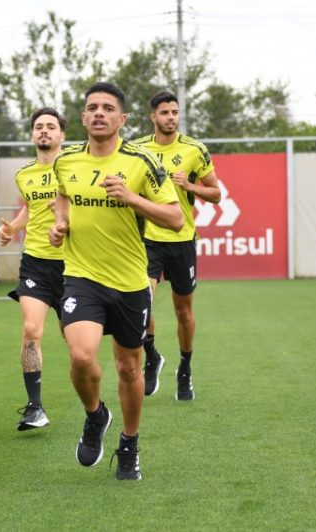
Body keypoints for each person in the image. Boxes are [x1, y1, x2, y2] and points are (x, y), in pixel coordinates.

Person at [48, 82, 183, 480]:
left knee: (128, 368)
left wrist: (132, 198)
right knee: (81, 355)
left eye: (108, 108)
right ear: (84, 116)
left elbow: (175, 218)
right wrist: (61, 223)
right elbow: (62, 194)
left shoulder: (142, 162)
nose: (99, 113)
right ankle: (95, 415)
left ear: (122, 119)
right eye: (92, 107)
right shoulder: (66, 161)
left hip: (129, 282)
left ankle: (129, 444)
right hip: (81, 276)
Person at [132, 91, 221, 401]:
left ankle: (185, 368)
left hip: (182, 241)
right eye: (164, 112)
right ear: (153, 117)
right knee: (142, 302)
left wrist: (189, 186)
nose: (171, 117)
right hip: (147, 240)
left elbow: (216, 194)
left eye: (174, 112)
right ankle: (152, 355)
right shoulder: (138, 149)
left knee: (183, 313)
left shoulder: (195, 150)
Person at [0, 107, 66, 432]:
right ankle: (35, 407)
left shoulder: (75, 168)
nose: (44, 131)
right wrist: (12, 227)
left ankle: (94, 407)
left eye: (51, 127)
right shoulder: (24, 174)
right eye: (39, 126)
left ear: (62, 135)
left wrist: (68, 211)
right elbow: (30, 209)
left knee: (79, 348)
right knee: (31, 331)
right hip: (35, 263)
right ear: (32, 134)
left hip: (74, 265)